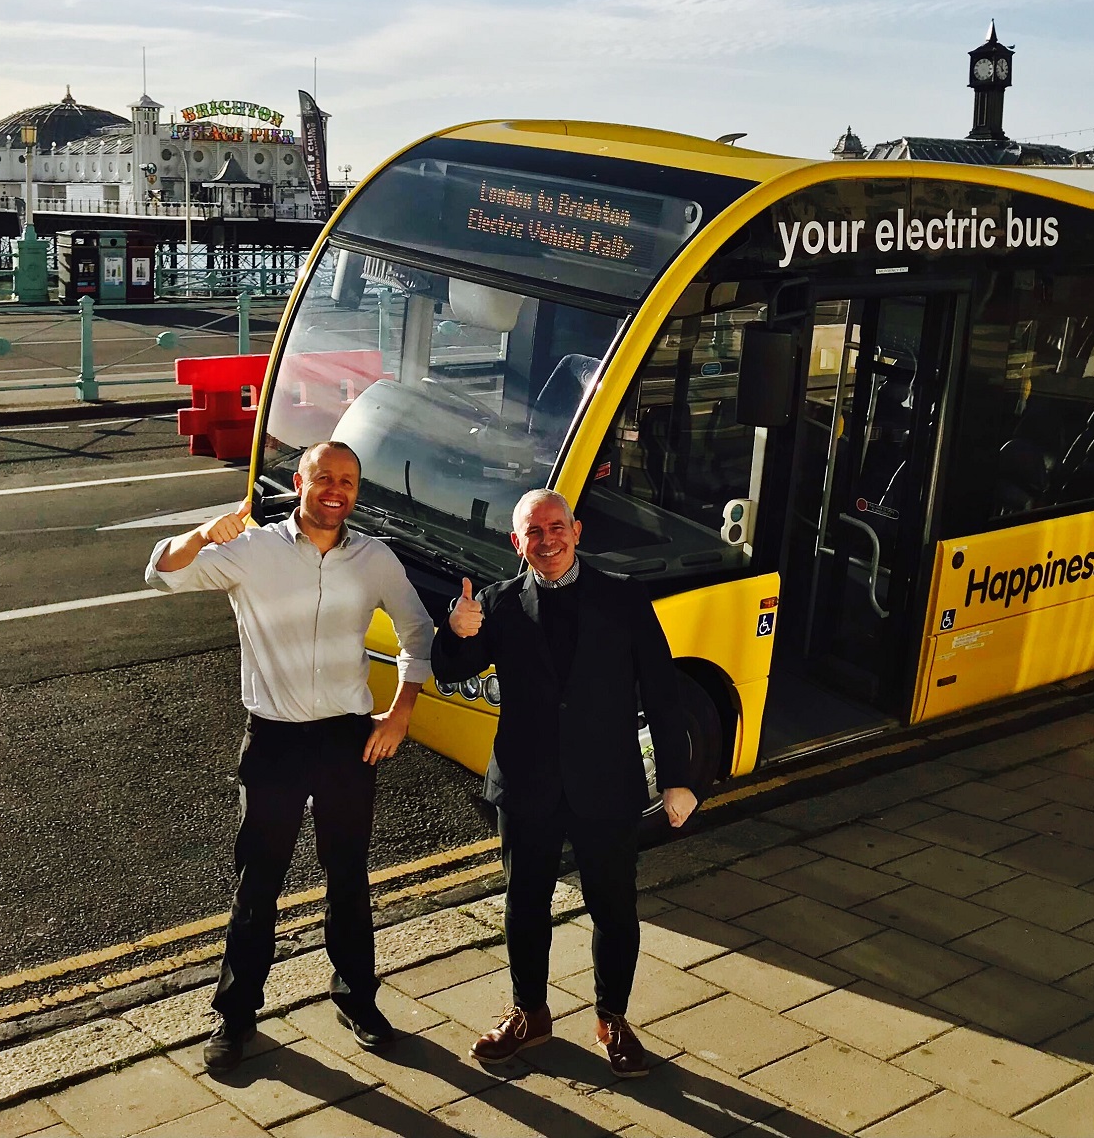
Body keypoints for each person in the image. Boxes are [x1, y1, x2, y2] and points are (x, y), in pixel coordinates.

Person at [145, 440, 434, 1072]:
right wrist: (201, 533)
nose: (336, 490)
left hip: (347, 739)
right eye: (324, 477)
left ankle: (358, 1000)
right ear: (299, 481)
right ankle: (236, 1017)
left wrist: (403, 707)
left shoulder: (373, 558)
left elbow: (417, 630)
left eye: (349, 481)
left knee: (349, 879)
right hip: (274, 739)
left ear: (358, 492)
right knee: (258, 883)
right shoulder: (252, 551)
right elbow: (163, 573)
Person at [431, 488, 698, 1079]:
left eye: (556, 528)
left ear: (576, 530)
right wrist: (455, 629)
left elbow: (661, 690)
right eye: (534, 532)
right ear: (516, 541)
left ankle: (613, 1019)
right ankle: (530, 1013)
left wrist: (677, 780)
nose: (547, 541)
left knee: (614, 908)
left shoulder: (624, 598)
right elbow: (450, 671)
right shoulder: (498, 604)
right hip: (527, 785)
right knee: (525, 904)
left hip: (607, 783)